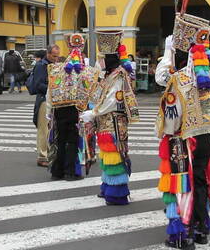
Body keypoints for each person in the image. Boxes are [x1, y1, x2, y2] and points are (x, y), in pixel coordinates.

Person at [155, 0, 210, 249]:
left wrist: (166, 52)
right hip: (204, 138)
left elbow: (169, 113)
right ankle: (201, 228)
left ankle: (183, 234)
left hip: (182, 142)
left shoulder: (178, 79)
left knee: (182, 185)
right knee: (201, 182)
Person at [80, 30, 139, 206]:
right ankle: (108, 187)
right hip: (106, 121)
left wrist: (94, 112)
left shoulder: (118, 75)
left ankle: (117, 194)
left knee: (115, 155)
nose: (100, 61)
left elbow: (112, 100)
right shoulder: (109, 75)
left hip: (114, 121)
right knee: (107, 155)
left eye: (102, 57)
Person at [46, 34, 99, 181]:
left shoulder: (57, 69)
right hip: (76, 110)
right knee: (72, 141)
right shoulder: (86, 70)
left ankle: (57, 172)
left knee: (60, 140)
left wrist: (49, 111)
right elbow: (92, 93)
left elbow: (50, 91)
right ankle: (70, 172)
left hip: (59, 109)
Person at [33, 45, 60, 167]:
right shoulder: (40, 66)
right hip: (44, 99)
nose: (56, 58)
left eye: (57, 56)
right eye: (54, 56)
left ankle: (50, 154)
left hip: (52, 100)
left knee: (50, 129)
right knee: (43, 129)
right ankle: (42, 156)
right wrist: (52, 89)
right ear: (48, 54)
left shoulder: (55, 65)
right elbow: (38, 84)